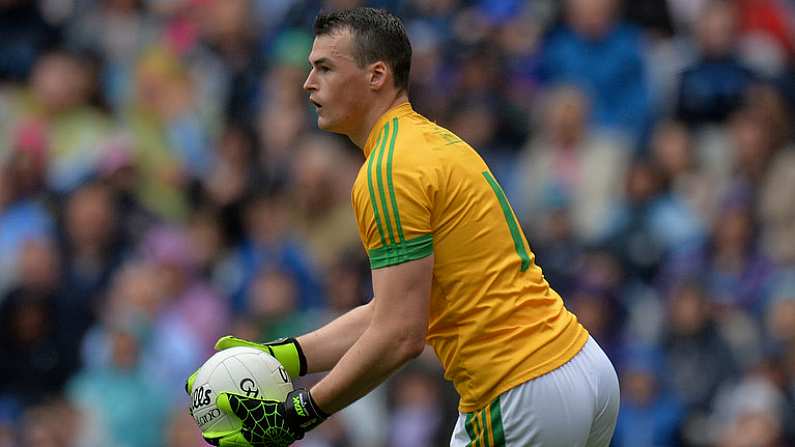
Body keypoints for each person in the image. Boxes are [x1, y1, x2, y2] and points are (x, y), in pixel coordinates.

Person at [186, 7, 620, 447]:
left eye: (325, 68)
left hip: (519, 386)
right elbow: (392, 309)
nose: (308, 82)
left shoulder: (388, 170)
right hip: (580, 363)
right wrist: (285, 357)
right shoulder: (432, 141)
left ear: (377, 75)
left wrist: (301, 412)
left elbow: (400, 335)